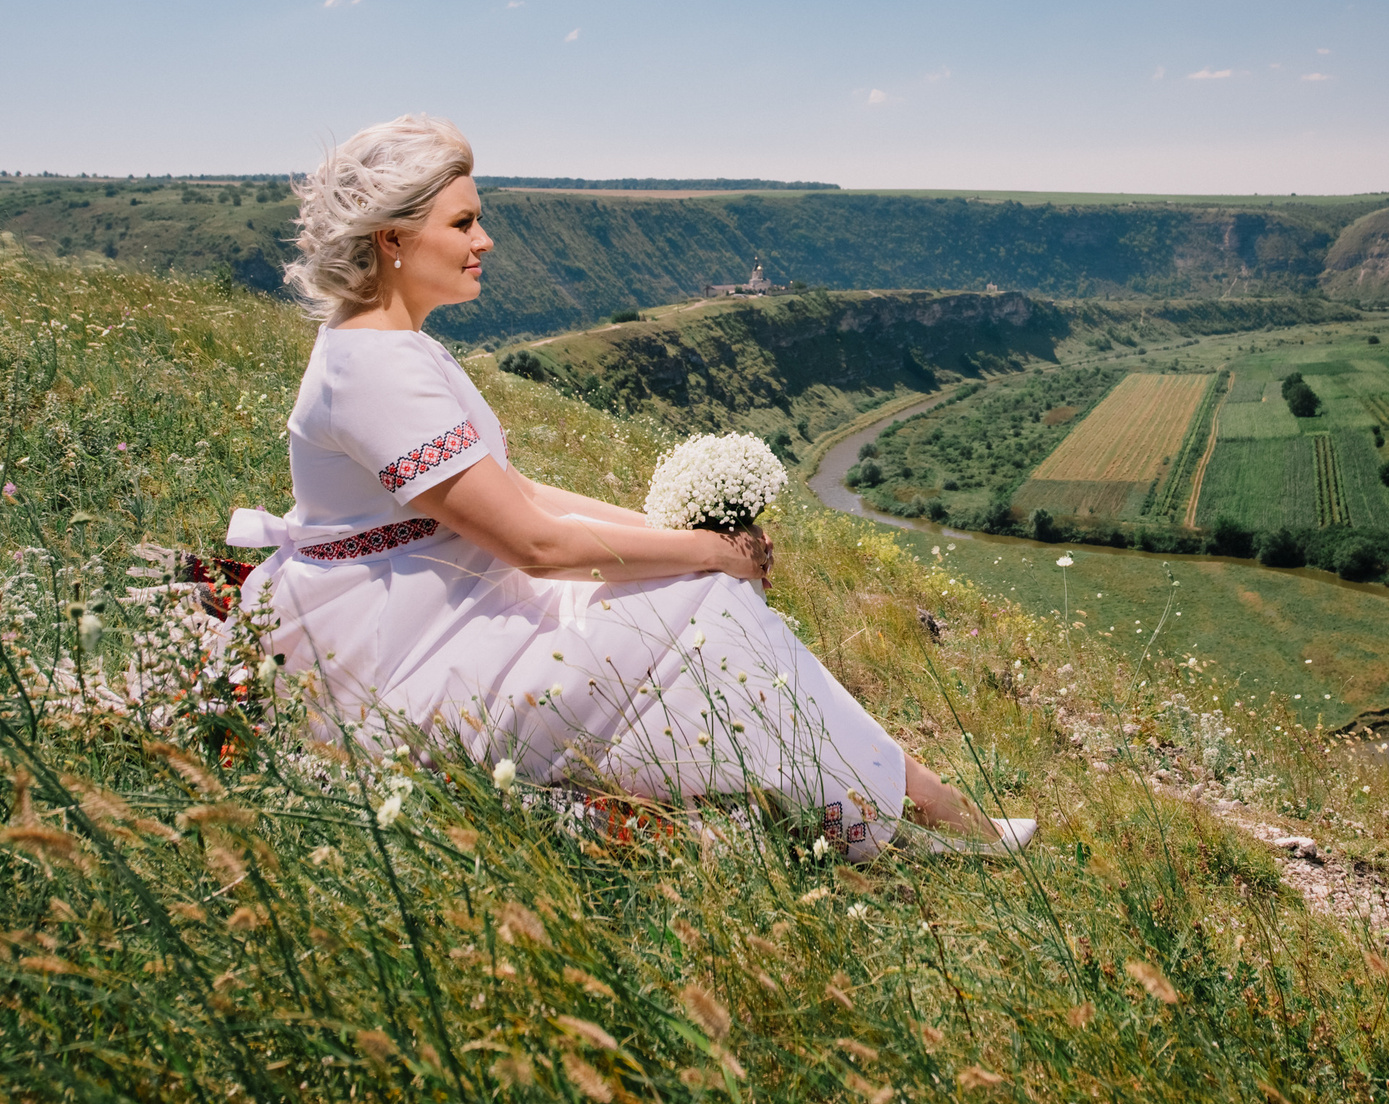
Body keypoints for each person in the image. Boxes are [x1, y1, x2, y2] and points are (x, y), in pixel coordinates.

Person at [226, 114, 1029, 859]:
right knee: (705, 606)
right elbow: (533, 544)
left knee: (693, 594)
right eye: (464, 222)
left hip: (438, 607)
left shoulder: (391, 348)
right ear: (394, 237)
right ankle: (906, 811)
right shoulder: (378, 367)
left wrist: (683, 543)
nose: (487, 240)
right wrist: (708, 554)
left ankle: (886, 802)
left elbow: (515, 491)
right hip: (411, 649)